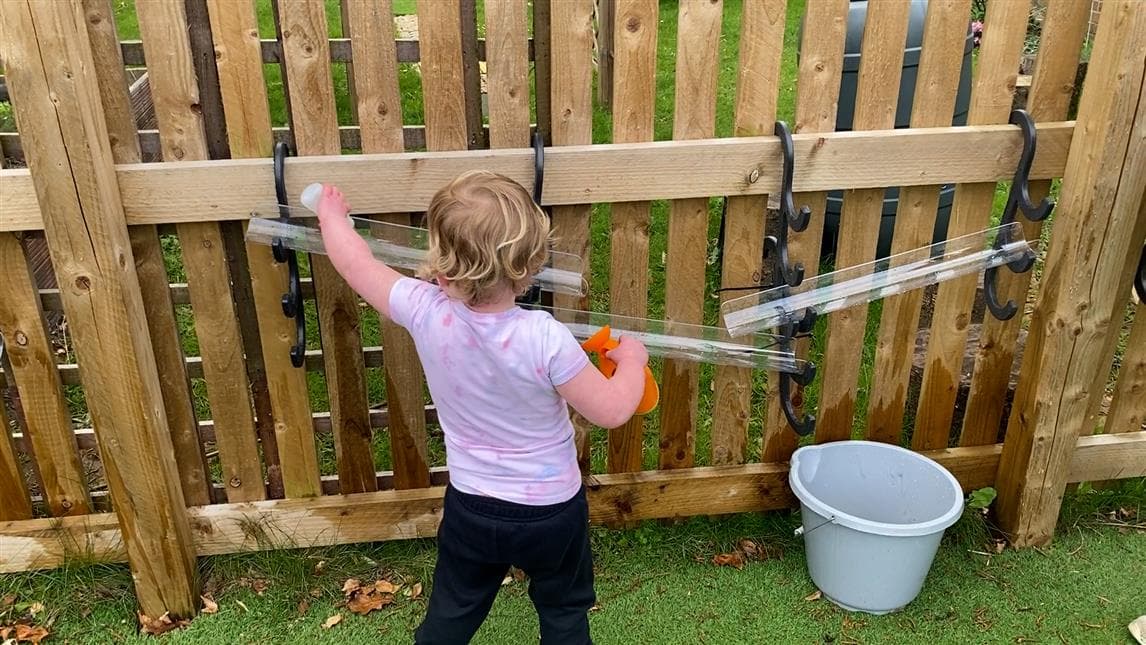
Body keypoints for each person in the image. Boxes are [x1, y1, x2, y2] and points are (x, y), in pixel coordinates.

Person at [313, 171, 649, 644]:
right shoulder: (545, 337)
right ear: (531, 265)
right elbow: (612, 411)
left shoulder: (425, 309)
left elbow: (356, 264)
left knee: (453, 610)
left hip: (472, 506)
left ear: (443, 265)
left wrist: (332, 218)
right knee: (563, 608)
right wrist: (632, 361)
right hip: (550, 512)